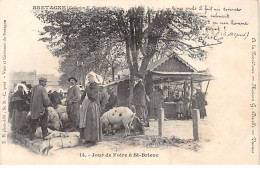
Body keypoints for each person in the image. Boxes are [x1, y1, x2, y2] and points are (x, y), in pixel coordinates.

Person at [79, 73, 101, 146]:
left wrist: (87, 88)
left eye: (91, 77)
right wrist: (80, 102)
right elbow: (84, 94)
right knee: (85, 121)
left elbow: (91, 96)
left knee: (91, 122)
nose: (89, 79)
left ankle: (93, 140)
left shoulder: (96, 85)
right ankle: (87, 139)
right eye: (88, 78)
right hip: (87, 105)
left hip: (93, 105)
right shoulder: (88, 85)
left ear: (94, 78)